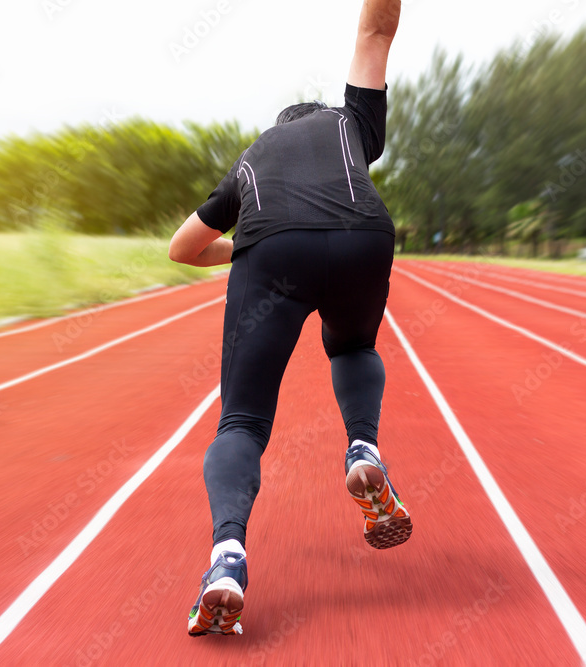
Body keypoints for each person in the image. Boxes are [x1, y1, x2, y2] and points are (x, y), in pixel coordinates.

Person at [168, 0, 410, 637]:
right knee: (353, 345)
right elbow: (376, 29)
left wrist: (241, 251)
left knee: (242, 420)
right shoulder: (351, 124)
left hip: (271, 250)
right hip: (365, 234)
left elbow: (180, 248)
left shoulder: (251, 159)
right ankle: (363, 446)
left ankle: (227, 556)